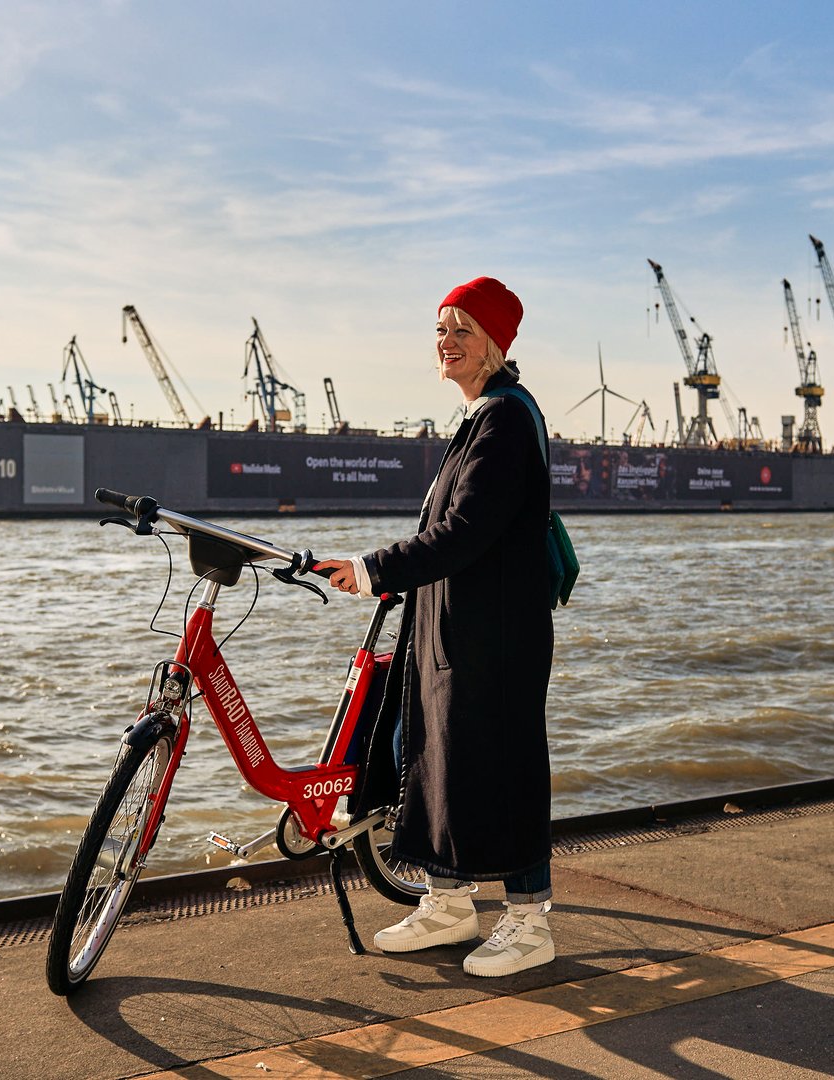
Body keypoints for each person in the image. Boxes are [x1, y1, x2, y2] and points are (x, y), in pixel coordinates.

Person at [319, 276, 556, 977]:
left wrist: (373, 569)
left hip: (497, 638)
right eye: (441, 329)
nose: (446, 343)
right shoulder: (481, 415)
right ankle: (449, 905)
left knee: (503, 764)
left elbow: (465, 532)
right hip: (455, 627)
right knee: (436, 756)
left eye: (462, 330)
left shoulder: (506, 419)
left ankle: (529, 918)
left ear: (494, 344)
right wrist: (385, 577)